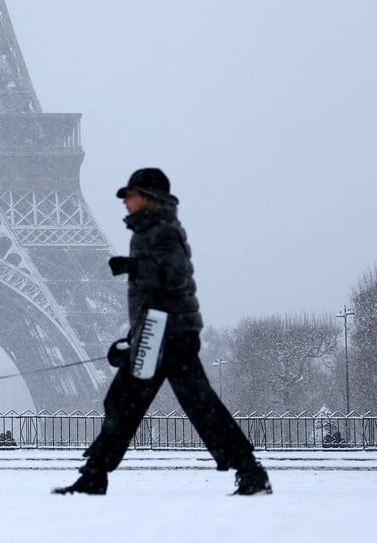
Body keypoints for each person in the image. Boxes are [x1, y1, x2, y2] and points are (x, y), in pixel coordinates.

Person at [53, 168, 272, 496]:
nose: (125, 201)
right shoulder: (148, 231)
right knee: (146, 402)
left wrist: (134, 267)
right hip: (161, 333)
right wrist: (132, 339)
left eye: (130, 194)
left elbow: (174, 277)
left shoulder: (163, 230)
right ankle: (96, 473)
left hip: (169, 336)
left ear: (149, 197)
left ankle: (96, 474)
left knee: (145, 403)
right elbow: (156, 297)